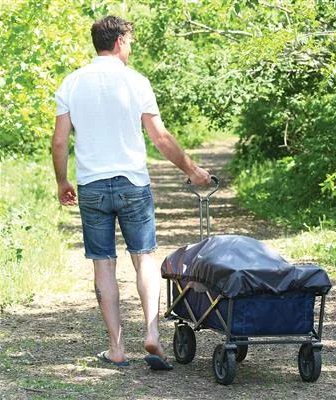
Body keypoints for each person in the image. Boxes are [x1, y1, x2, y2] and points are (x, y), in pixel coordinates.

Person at [51, 15, 211, 369]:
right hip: (132, 184)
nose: (132, 47)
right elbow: (160, 138)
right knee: (144, 258)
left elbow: (60, 141)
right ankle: (151, 334)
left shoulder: (72, 83)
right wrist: (192, 169)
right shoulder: (136, 81)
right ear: (120, 41)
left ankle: (117, 348)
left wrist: (62, 181)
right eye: (131, 41)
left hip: (91, 185)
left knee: (103, 265)